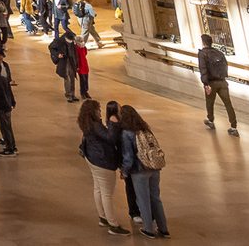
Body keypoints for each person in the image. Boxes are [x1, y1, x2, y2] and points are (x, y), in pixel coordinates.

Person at [77, 99, 130, 235]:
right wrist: (113, 123)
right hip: (102, 161)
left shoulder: (87, 124)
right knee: (107, 193)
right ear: (92, 112)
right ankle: (113, 225)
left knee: (98, 189)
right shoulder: (95, 125)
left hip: (92, 159)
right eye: (98, 109)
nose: (100, 112)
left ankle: (103, 217)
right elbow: (111, 138)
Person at [117, 105, 170, 238]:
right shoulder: (145, 128)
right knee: (156, 198)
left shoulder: (126, 133)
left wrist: (124, 171)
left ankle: (148, 229)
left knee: (143, 199)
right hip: (154, 168)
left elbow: (128, 157)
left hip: (139, 170)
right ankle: (163, 229)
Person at [196, 34, 238, 135]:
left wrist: (206, 83)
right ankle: (233, 126)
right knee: (228, 104)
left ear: (203, 43)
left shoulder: (202, 54)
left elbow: (203, 69)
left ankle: (210, 120)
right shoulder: (219, 53)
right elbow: (225, 65)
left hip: (211, 83)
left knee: (210, 102)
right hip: (222, 82)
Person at [51, 29, 79, 102]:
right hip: (64, 61)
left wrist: (77, 63)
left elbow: (74, 53)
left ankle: (72, 94)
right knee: (67, 78)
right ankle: (69, 95)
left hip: (71, 61)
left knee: (72, 77)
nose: (71, 42)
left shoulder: (72, 41)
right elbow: (51, 48)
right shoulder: (58, 41)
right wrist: (57, 54)